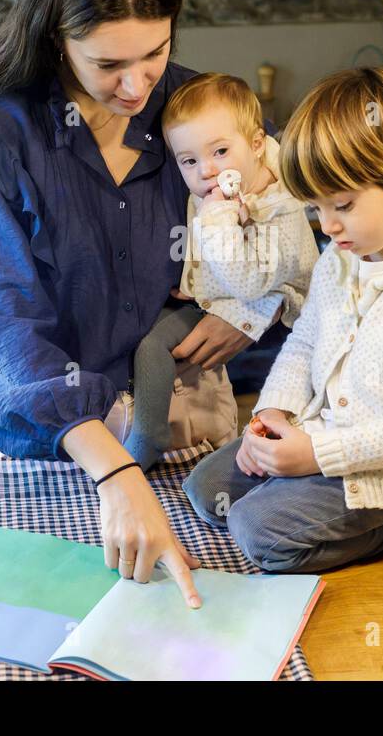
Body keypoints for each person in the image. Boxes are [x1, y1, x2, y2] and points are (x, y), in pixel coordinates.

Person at [0, 0, 281, 608]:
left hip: (188, 418)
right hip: (48, 438)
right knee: (33, 629)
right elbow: (4, 321)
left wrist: (252, 309)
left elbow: (299, 229)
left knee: (191, 620)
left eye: (156, 54)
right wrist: (114, 473)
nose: (137, 87)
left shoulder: (200, 109)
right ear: (55, 36)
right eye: (108, 63)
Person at [184, 67, 383, 574]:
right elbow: (305, 343)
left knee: (255, 531)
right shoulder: (343, 253)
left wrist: (316, 455)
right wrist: (274, 414)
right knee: (205, 492)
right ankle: (302, 491)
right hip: (325, 434)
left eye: (343, 205)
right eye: (316, 209)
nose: (328, 226)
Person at [123, 72, 318, 469]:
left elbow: (249, 281)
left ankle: (148, 437)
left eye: (221, 152)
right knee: (148, 341)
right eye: (189, 160)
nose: (207, 170)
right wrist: (189, 279)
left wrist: (217, 218)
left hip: (274, 313)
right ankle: (152, 431)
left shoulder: (277, 208)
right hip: (211, 298)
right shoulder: (218, 189)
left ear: (258, 145)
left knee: (300, 397)